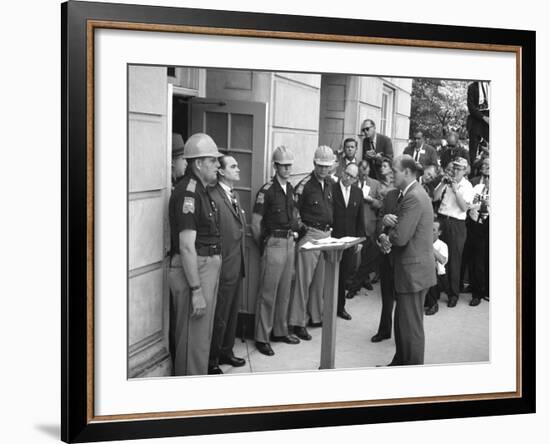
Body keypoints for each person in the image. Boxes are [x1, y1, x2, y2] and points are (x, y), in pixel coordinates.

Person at [168, 133, 223, 376]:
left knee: (200, 339)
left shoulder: (201, 190)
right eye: (213, 161)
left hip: (204, 267)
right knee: (192, 339)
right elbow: (187, 246)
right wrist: (196, 291)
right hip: (195, 270)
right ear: (198, 163)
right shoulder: (188, 192)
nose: (218, 165)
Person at [378, 155, 436, 365]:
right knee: (403, 324)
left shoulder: (413, 196)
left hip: (413, 273)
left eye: (394, 170)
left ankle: (411, 375)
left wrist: (386, 235)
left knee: (410, 328)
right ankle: (400, 364)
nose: (389, 174)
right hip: (411, 271)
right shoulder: (411, 193)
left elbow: (401, 237)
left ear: (407, 172)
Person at [252, 146, 301, 356]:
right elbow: (255, 224)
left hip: (289, 242)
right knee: (268, 293)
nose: (288, 168)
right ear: (276, 166)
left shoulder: (289, 189)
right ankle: (262, 337)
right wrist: (265, 246)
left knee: (284, 291)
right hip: (274, 243)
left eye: (290, 165)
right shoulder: (267, 191)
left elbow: (294, 217)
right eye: (284, 165)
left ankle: (280, 331)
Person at [289, 145, 335, 340]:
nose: (323, 169)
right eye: (320, 166)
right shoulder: (305, 185)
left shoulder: (330, 183)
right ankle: (297, 322)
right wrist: (302, 231)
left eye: (327, 166)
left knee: (319, 281)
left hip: (326, 235)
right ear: (314, 163)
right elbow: (293, 212)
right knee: (303, 282)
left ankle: (316, 316)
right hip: (311, 235)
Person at [207, 156, 247, 374]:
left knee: (232, 313)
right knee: (220, 315)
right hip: (223, 266)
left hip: (237, 264)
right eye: (233, 166)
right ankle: (212, 358)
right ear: (221, 171)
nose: (238, 169)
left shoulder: (234, 195)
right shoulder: (213, 196)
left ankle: (226, 351)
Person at [433, 157, 474, 308]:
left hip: (457, 223)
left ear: (465, 171)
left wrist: (456, 190)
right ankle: (436, 289)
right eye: (454, 167)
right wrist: (443, 184)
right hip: (442, 219)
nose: (455, 170)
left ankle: (453, 294)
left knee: (454, 260)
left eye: (459, 168)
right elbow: (435, 197)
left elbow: (464, 208)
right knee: (437, 254)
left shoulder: (467, 186)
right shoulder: (447, 181)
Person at [332, 163, 365, 320]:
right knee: (331, 275)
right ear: (342, 172)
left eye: (352, 176)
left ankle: (340, 307)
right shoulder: (332, 189)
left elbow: (360, 218)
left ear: (356, 179)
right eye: (346, 174)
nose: (347, 178)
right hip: (332, 239)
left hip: (350, 240)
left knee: (344, 274)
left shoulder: (358, 193)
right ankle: (326, 307)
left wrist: (360, 240)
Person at [347, 160, 383, 298]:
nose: (364, 171)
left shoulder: (375, 184)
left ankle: (363, 280)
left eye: (366, 168)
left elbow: (381, 204)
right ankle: (352, 284)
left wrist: (370, 200)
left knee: (367, 257)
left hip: (369, 225)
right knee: (354, 258)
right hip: (355, 225)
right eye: (361, 168)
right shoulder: (352, 183)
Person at [468, 157, 490, 306]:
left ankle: (482, 291)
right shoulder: (476, 185)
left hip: (489, 224)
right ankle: (475, 288)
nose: (486, 167)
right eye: (485, 165)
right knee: (475, 257)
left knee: (485, 258)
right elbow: (470, 203)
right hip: (474, 223)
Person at [424, 218, 449, 316]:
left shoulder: (442, 245)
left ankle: (433, 304)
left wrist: (429, 246)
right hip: (424, 274)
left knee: (431, 270)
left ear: (439, 233)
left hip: (438, 278)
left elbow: (442, 260)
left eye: (433, 230)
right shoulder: (421, 242)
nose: (429, 232)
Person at [467, 81, 490, 166]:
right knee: (473, 151)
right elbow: (471, 107)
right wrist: (484, 118)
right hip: (476, 120)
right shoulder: (472, 87)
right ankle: (473, 174)